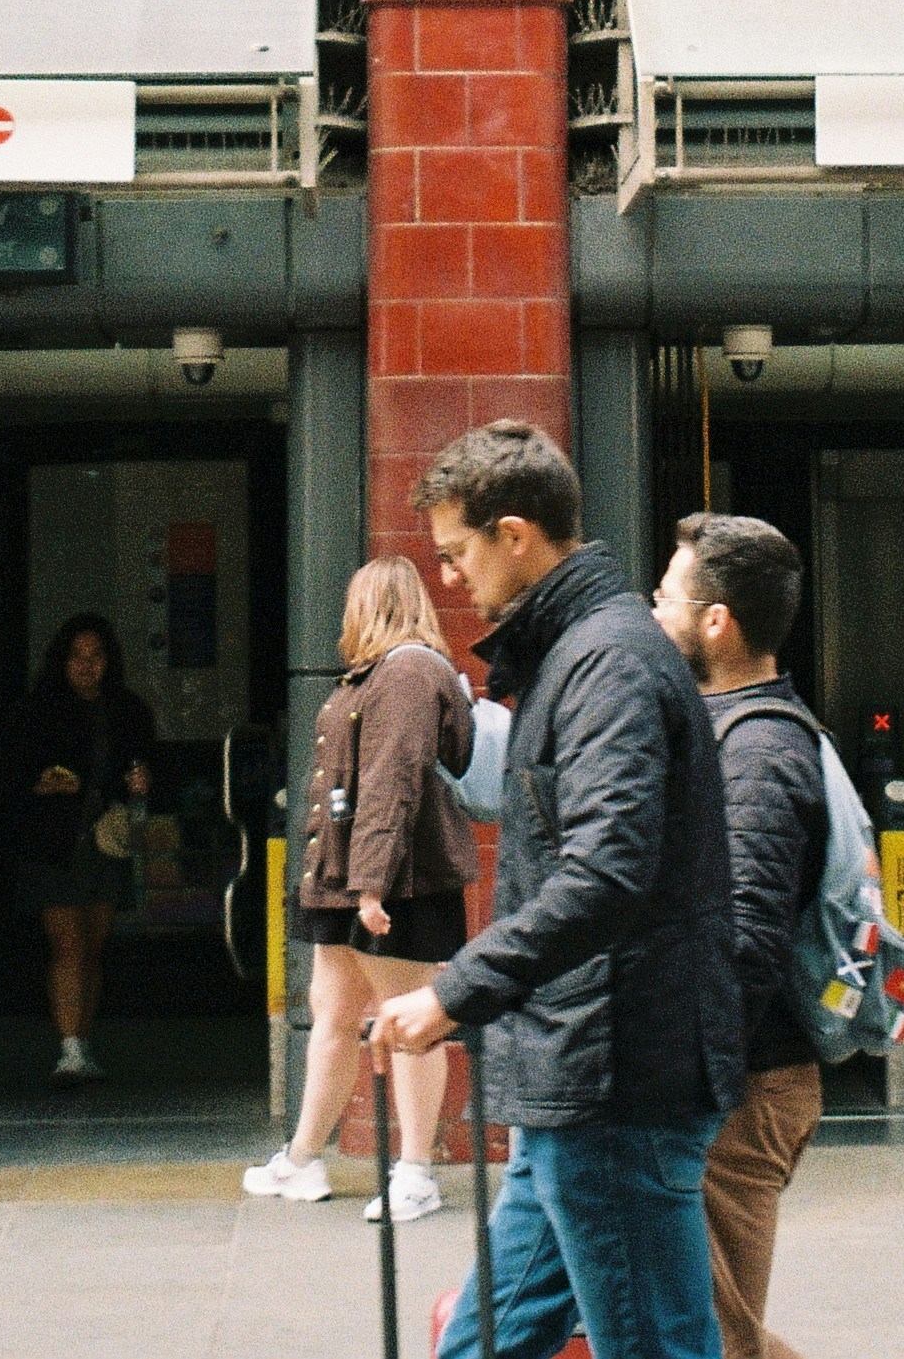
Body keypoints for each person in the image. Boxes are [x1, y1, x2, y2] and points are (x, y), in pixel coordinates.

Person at [379, 420, 740, 1359]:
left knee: (654, 1344)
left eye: (457, 552)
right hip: (580, 1077)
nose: (449, 578)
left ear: (514, 535)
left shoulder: (606, 661)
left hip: (616, 1076)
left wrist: (456, 988)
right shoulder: (582, 650)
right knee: (482, 1342)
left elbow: (607, 871)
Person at [242, 556, 476, 1222]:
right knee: (336, 1013)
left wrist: (370, 885)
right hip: (351, 877)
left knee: (406, 1020)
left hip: (387, 882)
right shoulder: (390, 671)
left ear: (368, 604)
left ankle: (415, 1171)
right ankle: (303, 1156)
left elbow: (389, 783)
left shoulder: (405, 671)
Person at [653, 513, 826, 1359]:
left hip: (746, 1083)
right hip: (742, 1075)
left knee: (720, 1338)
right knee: (715, 1329)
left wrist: (685, 1075)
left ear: (714, 619)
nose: (654, 614)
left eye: (664, 598)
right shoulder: (729, 730)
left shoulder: (756, 750)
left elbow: (748, 943)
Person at [0, 612, 155, 1083]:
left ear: (110, 661)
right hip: (53, 841)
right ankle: (69, 1047)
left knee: (93, 944)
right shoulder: (36, 710)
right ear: (61, 661)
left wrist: (144, 780)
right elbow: (10, 775)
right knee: (66, 942)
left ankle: (82, 1043)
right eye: (78, 657)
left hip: (106, 838)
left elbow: (151, 766)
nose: (88, 666)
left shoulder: (128, 710)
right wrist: (37, 784)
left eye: (97, 656)